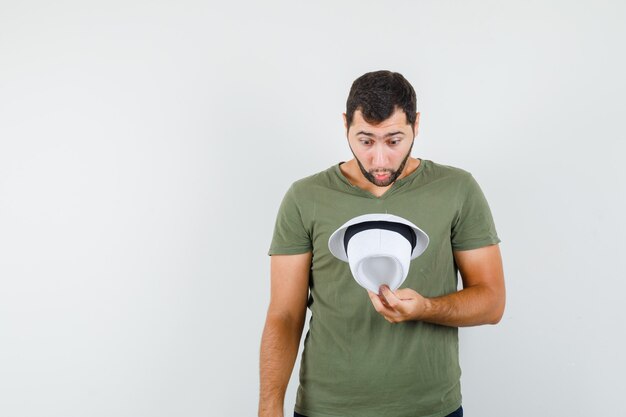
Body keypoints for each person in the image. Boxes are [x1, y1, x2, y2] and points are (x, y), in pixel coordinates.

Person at [259, 70, 505, 417]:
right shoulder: (305, 197)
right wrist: (269, 407)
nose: (379, 159)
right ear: (345, 124)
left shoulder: (457, 189)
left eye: (394, 141)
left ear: (416, 125)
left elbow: (492, 302)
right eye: (365, 140)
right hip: (327, 409)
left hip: (430, 409)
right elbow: (284, 314)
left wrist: (425, 309)